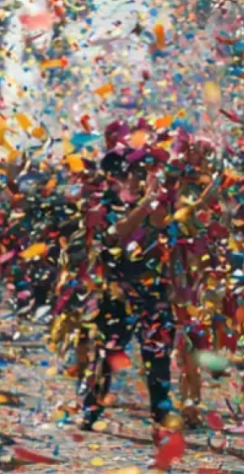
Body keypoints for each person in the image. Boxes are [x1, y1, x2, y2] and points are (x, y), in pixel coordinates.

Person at [78, 144, 177, 441]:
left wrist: (156, 201)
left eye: (144, 172)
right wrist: (145, 204)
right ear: (118, 176)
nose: (139, 178)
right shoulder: (103, 204)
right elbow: (115, 235)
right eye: (134, 172)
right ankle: (91, 408)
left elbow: (163, 226)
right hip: (117, 292)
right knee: (108, 352)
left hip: (153, 291)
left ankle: (161, 419)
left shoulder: (156, 202)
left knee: (158, 356)